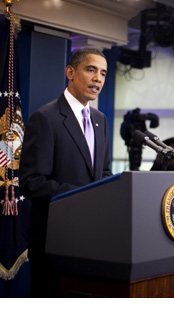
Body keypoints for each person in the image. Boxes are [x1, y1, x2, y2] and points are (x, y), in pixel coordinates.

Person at [19, 48, 113, 297]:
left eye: (103, 73)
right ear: (70, 72)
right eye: (91, 70)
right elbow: (32, 181)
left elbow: (103, 172)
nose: (98, 79)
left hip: (92, 239)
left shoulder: (100, 120)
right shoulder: (45, 117)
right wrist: (84, 196)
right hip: (56, 240)